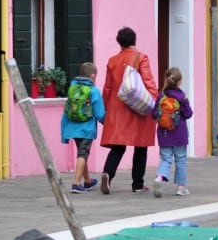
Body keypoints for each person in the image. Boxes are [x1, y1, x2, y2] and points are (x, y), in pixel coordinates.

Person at [100, 27, 158, 194]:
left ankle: (108, 174)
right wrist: (153, 101)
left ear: (119, 42)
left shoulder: (112, 60)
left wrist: (107, 106)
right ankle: (137, 184)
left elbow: (107, 88)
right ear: (134, 40)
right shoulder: (141, 57)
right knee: (141, 146)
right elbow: (148, 82)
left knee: (118, 146)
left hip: (118, 108)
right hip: (138, 107)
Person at [61, 62, 106, 193]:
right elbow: (99, 114)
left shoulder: (72, 87)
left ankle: (87, 181)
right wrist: (106, 122)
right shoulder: (94, 90)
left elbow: (67, 109)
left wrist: (64, 130)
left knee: (82, 153)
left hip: (73, 127)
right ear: (92, 76)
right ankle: (76, 183)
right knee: (83, 154)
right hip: (87, 129)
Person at [152, 67, 194, 198]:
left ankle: (159, 178)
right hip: (179, 133)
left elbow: (154, 114)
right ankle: (181, 188)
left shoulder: (161, 96)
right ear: (179, 82)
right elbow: (188, 114)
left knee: (166, 158)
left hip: (163, 134)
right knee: (180, 160)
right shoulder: (182, 97)